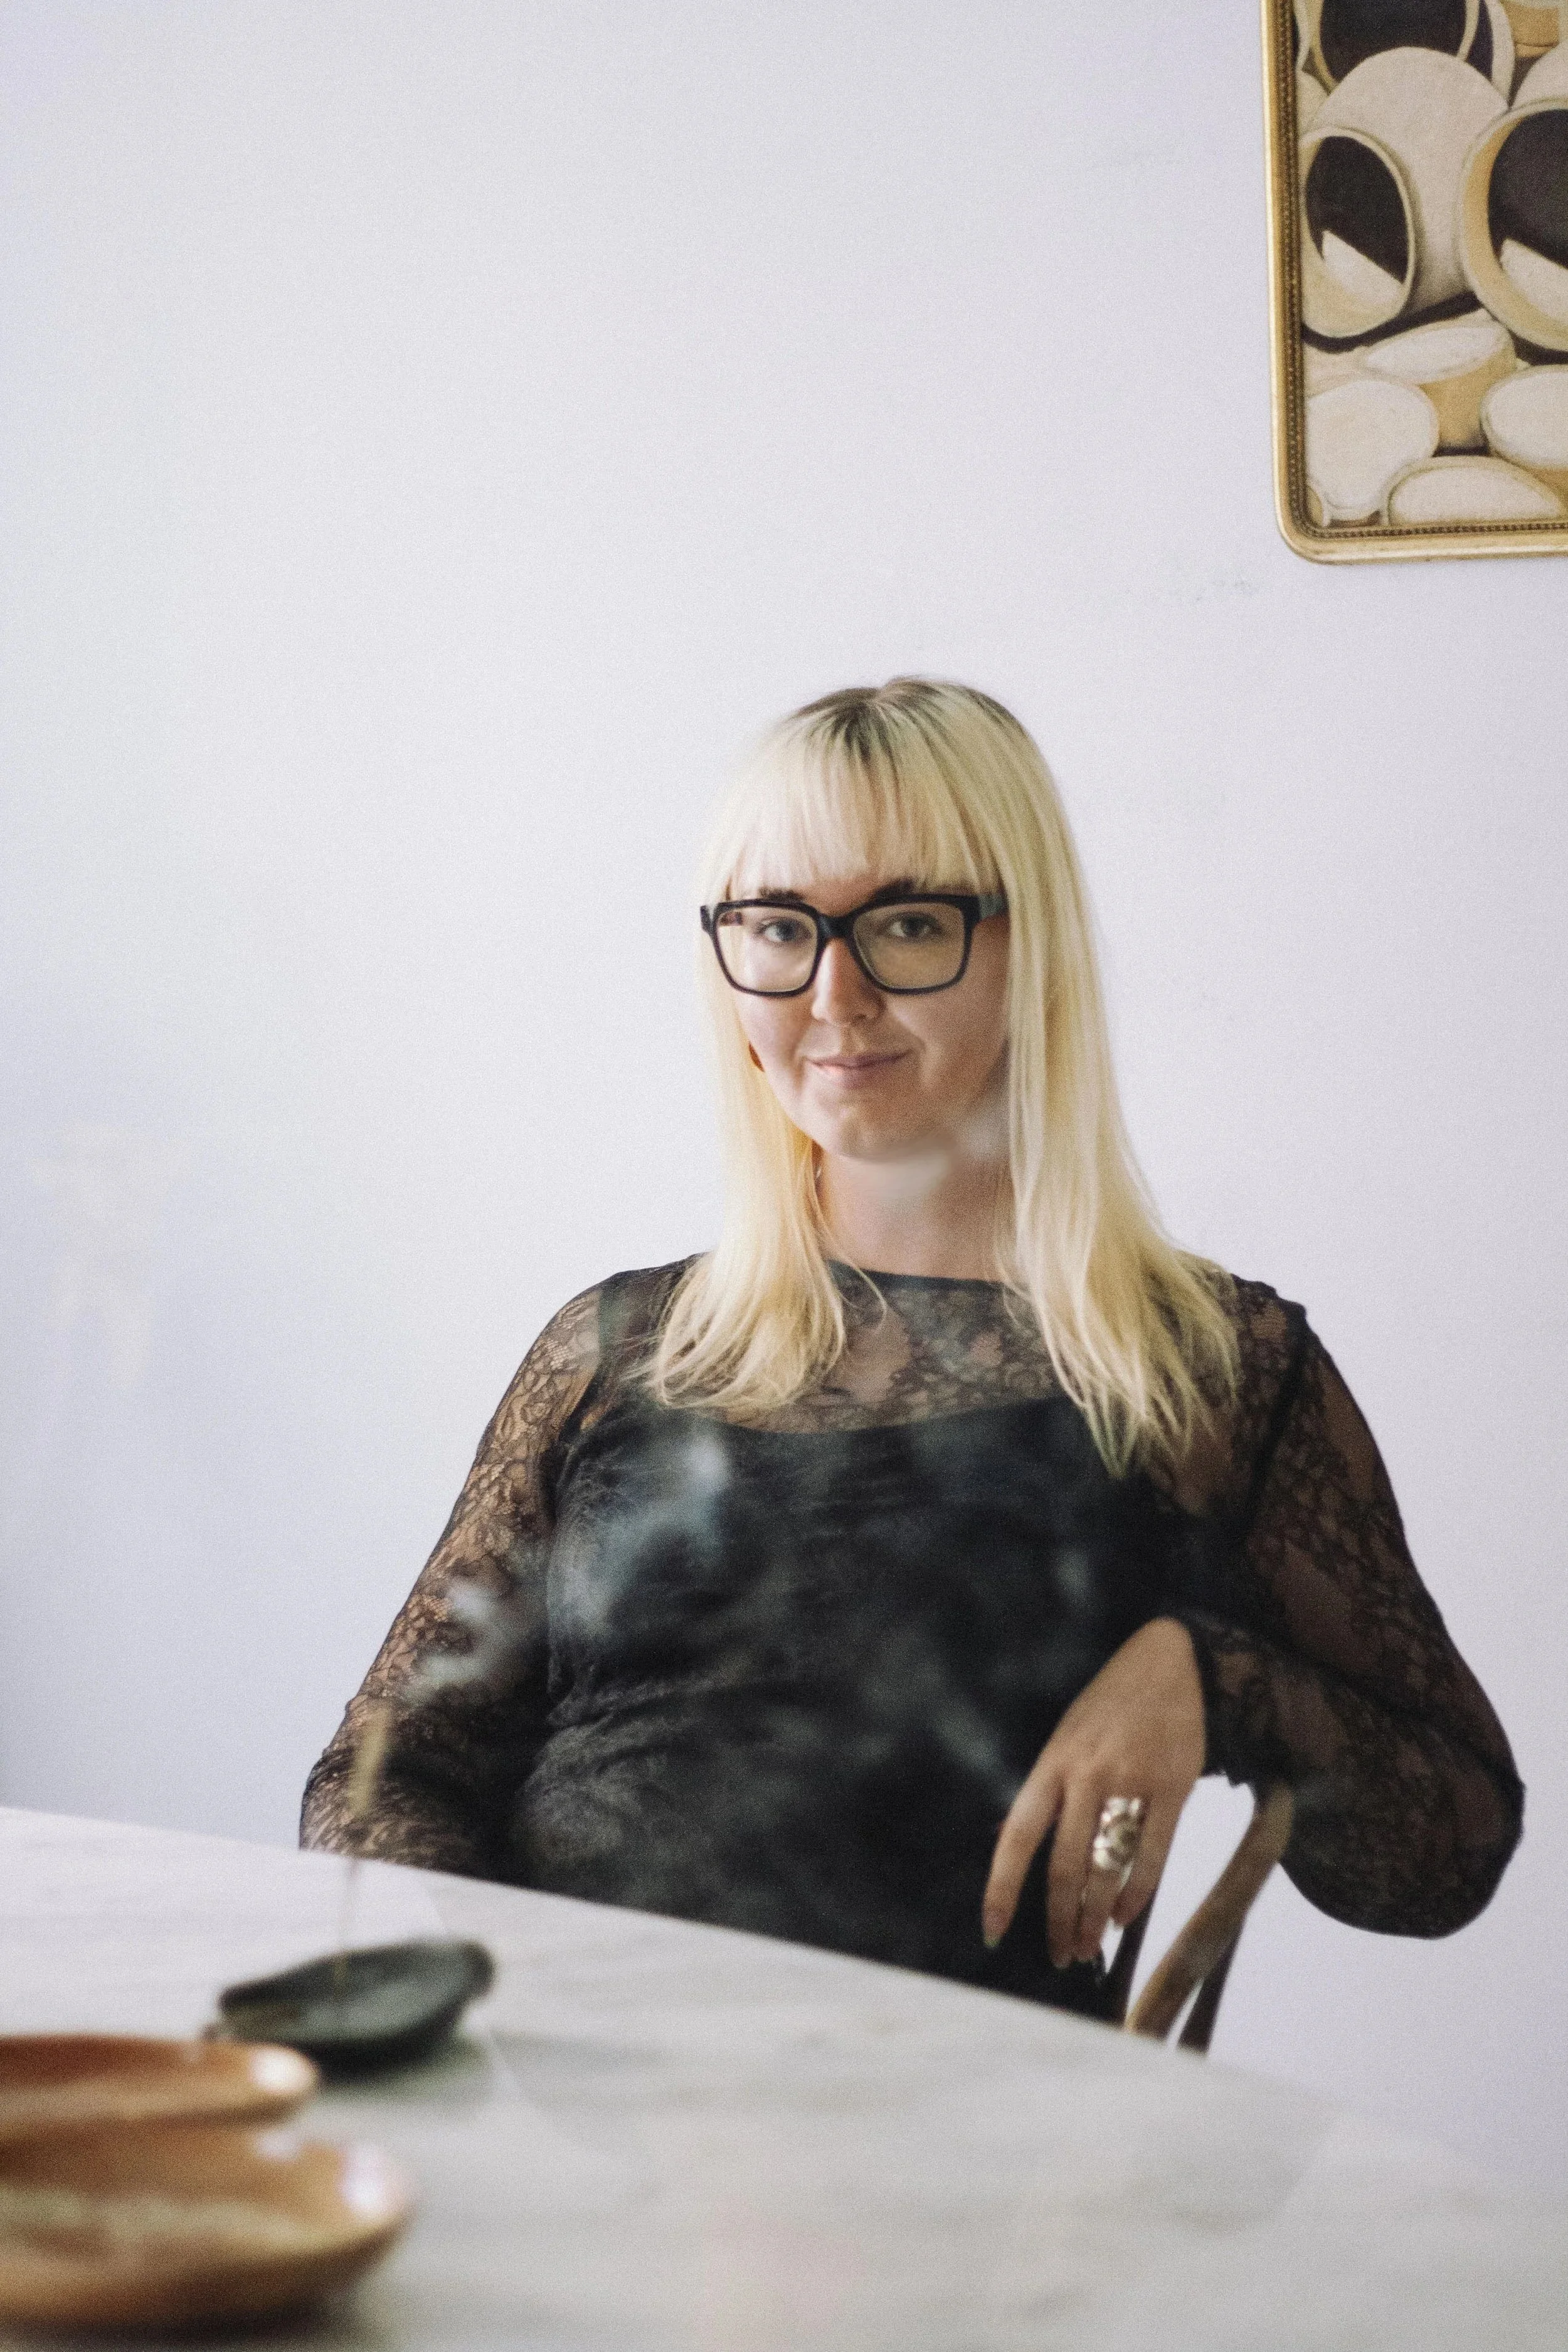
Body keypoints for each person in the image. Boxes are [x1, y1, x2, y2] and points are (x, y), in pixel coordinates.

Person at [301, 678, 1522, 2017]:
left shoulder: (1206, 1373)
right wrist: (493, 2014)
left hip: (959, 2128)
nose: (836, 995)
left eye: (908, 924)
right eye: (779, 929)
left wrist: (1213, 1683)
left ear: (1028, 948)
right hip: (575, 2084)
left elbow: (1444, 1854)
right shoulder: (611, 1350)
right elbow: (382, 1775)